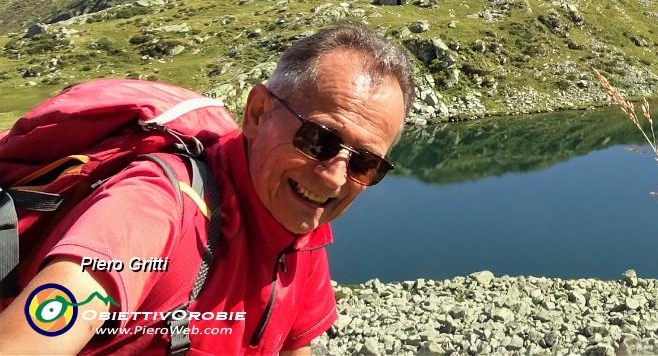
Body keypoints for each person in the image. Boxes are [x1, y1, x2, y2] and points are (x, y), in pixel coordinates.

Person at [0, 22, 415, 355]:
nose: (334, 177)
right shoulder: (154, 207)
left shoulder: (303, 233)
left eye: (365, 163)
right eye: (319, 140)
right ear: (257, 113)